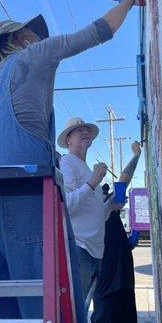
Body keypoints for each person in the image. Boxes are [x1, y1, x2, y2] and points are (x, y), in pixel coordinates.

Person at [0, 0, 136, 321]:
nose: (39, 37)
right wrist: (127, 2)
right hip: (22, 192)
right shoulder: (36, 54)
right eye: (34, 33)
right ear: (22, 38)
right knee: (45, 301)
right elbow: (98, 32)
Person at [57, 117, 124, 301]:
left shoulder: (85, 168)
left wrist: (110, 206)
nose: (85, 132)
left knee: (81, 309)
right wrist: (93, 182)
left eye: (87, 130)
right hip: (79, 248)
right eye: (79, 130)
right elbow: (66, 205)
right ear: (68, 140)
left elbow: (96, 215)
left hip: (95, 253)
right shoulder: (67, 162)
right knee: (73, 309)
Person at [91, 141, 141, 323]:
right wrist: (136, 156)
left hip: (125, 285)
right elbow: (123, 182)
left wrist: (131, 242)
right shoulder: (98, 213)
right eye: (102, 192)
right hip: (107, 289)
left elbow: (122, 184)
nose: (106, 194)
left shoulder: (111, 211)